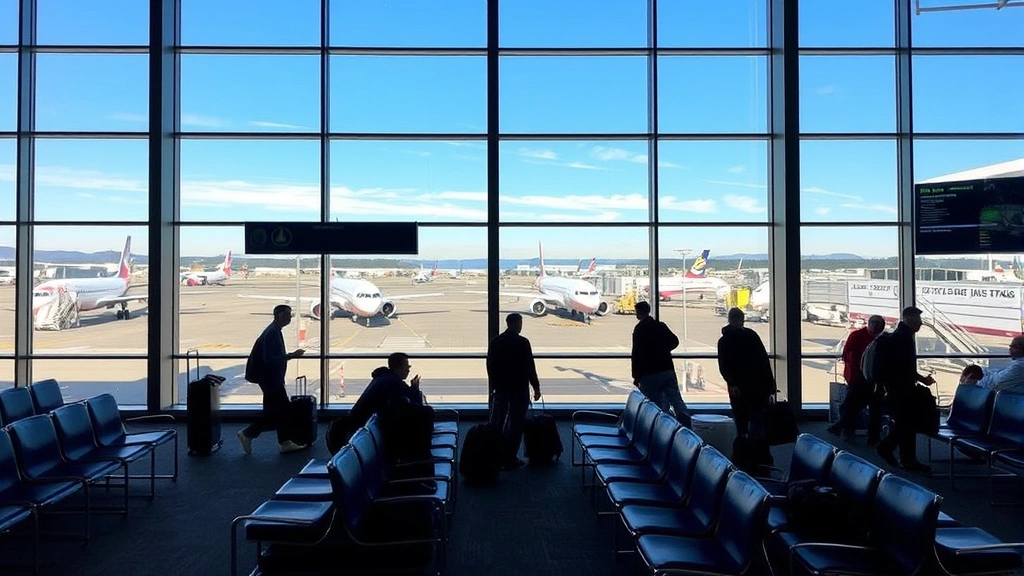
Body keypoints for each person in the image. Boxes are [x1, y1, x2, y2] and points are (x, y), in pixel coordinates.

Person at [238, 305, 307, 455]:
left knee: (272, 413)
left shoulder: (273, 330)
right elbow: (269, 359)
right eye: (287, 315)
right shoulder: (272, 333)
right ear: (279, 316)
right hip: (270, 379)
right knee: (284, 410)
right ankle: (277, 440)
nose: (290, 318)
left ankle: (253, 435)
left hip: (268, 378)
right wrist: (291, 356)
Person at [874, 306, 935, 472]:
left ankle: (907, 459)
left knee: (906, 423)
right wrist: (923, 379)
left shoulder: (897, 336)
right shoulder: (903, 339)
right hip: (901, 390)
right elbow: (905, 368)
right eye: (918, 320)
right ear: (909, 319)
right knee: (907, 423)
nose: (921, 323)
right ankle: (889, 449)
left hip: (893, 388)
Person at [487, 313, 542, 470]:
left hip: (502, 388)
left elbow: (490, 365)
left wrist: (493, 386)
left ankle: (496, 455)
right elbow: (530, 367)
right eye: (520, 323)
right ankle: (510, 458)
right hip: (519, 388)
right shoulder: (523, 342)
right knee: (516, 424)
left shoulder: (496, 342)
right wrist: (536, 387)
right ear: (517, 324)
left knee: (498, 423)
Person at [631, 301, 691, 427]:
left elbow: (636, 354)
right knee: (676, 400)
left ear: (640, 312)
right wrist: (664, 350)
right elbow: (674, 341)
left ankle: (661, 429)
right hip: (666, 368)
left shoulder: (639, 330)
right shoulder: (660, 326)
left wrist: (636, 376)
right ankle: (686, 425)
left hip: (649, 372)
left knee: (655, 406)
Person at [828, 315, 886, 444]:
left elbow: (846, 355)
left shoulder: (862, 336)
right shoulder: (859, 336)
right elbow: (848, 356)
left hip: (866, 378)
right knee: (860, 406)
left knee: (862, 406)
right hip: (858, 378)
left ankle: (846, 429)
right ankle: (862, 434)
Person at [717, 307, 775, 438]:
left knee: (740, 417)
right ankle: (756, 444)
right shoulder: (751, 336)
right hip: (757, 384)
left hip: (739, 385)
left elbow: (724, 365)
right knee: (757, 417)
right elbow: (763, 361)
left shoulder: (724, 341)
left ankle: (744, 442)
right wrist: (770, 385)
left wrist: (732, 383)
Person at [347, 352, 425, 433]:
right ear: (398, 368)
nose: (408, 370)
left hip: (360, 425)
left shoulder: (383, 378)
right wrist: (415, 389)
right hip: (362, 428)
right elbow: (413, 407)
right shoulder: (392, 383)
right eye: (406, 367)